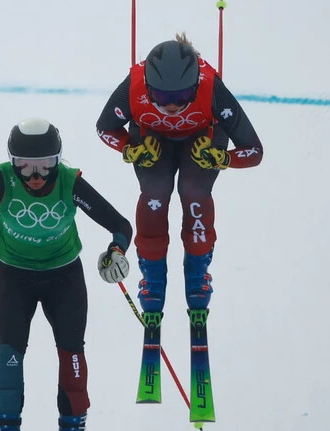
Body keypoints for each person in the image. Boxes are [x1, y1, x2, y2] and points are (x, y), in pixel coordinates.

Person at [0, 117, 133, 431]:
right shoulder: (3, 180)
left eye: (45, 165)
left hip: (64, 277)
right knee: (10, 354)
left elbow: (120, 225)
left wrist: (115, 253)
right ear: (13, 162)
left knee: (72, 352)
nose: (35, 176)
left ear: (58, 160)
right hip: (14, 276)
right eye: (24, 166)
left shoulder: (70, 183)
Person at [95, 33, 263, 341]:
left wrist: (223, 157)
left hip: (202, 139)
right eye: (160, 96)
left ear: (196, 83)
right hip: (152, 139)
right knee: (155, 191)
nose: (172, 106)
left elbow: (254, 151)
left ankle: (197, 273)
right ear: (147, 86)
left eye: (183, 95)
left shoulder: (212, 88)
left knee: (194, 191)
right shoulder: (132, 87)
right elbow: (104, 128)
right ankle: (153, 279)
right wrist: (129, 148)